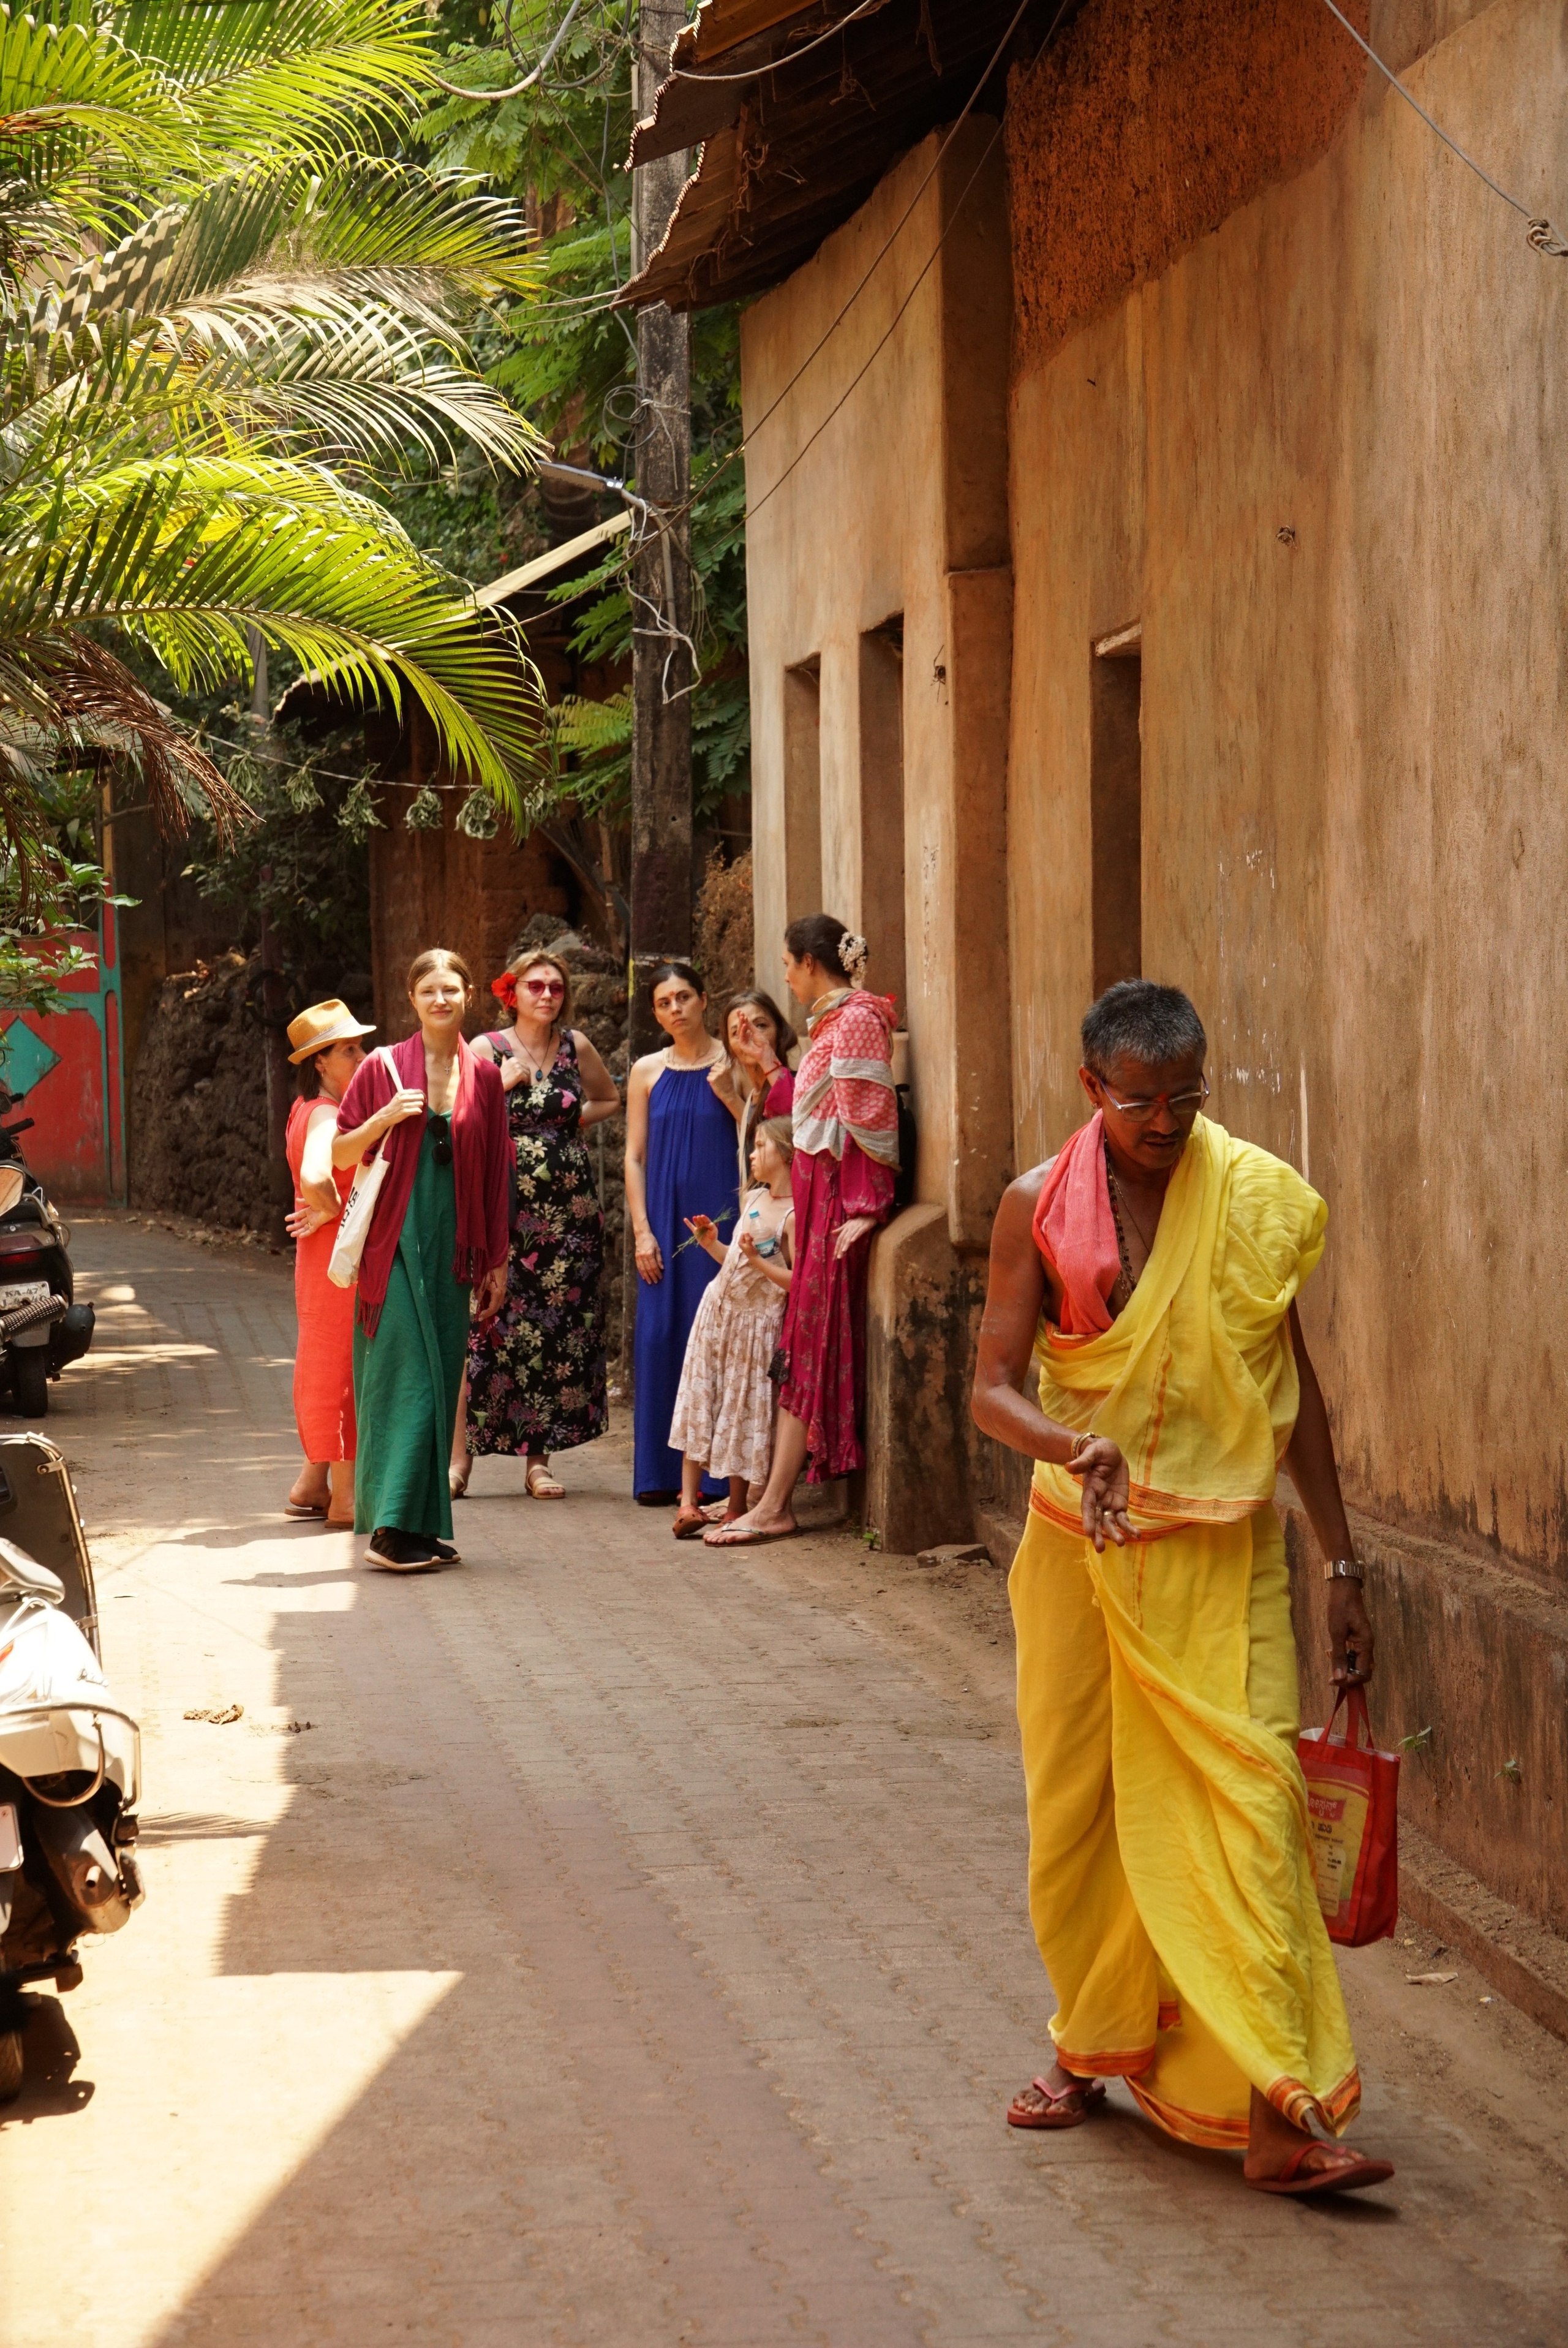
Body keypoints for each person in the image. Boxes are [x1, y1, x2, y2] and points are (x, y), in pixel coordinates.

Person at [970, 978, 1393, 2196]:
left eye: (1185, 1096)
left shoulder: (1250, 1197)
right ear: (1091, 1087)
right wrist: (1075, 1445)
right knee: (1085, 1811)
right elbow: (989, 1387)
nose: (1166, 1121)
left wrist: (1341, 1560)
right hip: (1084, 1550)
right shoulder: (1032, 1204)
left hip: (1224, 1552)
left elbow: (1290, 1390)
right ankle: (1090, 2043)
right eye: (1141, 1100)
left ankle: (1278, 2103)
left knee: (1253, 1804)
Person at [705, 916, 897, 1547]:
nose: (785, 977)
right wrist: (765, 1067)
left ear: (811, 962)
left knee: (807, 1345)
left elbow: (872, 1119)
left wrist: (866, 1206)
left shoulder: (859, 1019)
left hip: (836, 1202)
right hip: (817, 1201)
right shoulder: (834, 1022)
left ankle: (775, 1504)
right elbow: (810, 1119)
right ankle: (770, 1499)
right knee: (800, 1344)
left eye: (788, 964)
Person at [333, 948, 510, 1572]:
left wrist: (497, 1259)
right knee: (406, 1377)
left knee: (439, 1379)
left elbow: (497, 1171)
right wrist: (383, 1117)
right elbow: (341, 1150)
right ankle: (388, 1530)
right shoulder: (380, 1067)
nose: (440, 999)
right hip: (395, 1242)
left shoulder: (484, 1077)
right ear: (411, 998)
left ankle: (420, 1524)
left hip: (454, 1247)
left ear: (468, 997)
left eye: (451, 989)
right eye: (429, 990)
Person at [451, 949, 620, 1501]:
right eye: (535, 986)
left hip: (569, 1219)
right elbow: (458, 1121)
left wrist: (568, 1121)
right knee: (484, 1328)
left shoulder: (576, 1046)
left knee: (553, 1335)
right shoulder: (486, 1048)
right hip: (506, 1209)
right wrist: (498, 1086)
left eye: (555, 987)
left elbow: (608, 1098)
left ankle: (538, 1463)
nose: (547, 994)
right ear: (513, 993)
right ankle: (459, 1461)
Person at [624, 961, 741, 1503]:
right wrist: (642, 1232)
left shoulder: (734, 1062)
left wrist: (732, 1096)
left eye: (684, 997)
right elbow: (634, 1156)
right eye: (664, 1002)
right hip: (664, 1222)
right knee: (660, 1334)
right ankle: (660, 1473)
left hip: (722, 1219)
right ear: (655, 1012)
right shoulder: (646, 1070)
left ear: (704, 999)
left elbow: (762, 1135)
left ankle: (717, 1478)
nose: (676, 1008)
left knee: (718, 1336)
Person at [668, 1119, 796, 1538]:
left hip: (756, 1326)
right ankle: (688, 1503)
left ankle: (737, 1506)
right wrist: (712, 1244)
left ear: (787, 1153)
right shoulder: (753, 1197)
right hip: (718, 1313)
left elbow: (796, 1279)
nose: (752, 1155)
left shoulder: (793, 1215)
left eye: (761, 1146)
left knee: (742, 1406)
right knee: (701, 1395)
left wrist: (758, 1261)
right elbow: (736, 1260)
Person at [281, 998, 375, 1527]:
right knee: (341, 1368)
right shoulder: (324, 1113)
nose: (362, 1057)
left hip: (322, 1256)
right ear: (320, 1061)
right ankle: (345, 1501)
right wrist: (333, 1207)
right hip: (337, 1257)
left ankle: (312, 1485)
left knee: (327, 1358)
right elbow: (316, 1176)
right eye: (349, 1050)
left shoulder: (307, 1109)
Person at [720, 989, 797, 1190]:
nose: (749, 1036)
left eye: (760, 1026)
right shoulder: (751, 1100)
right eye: (736, 1032)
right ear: (730, 1048)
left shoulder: (798, 1086)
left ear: (780, 1032)